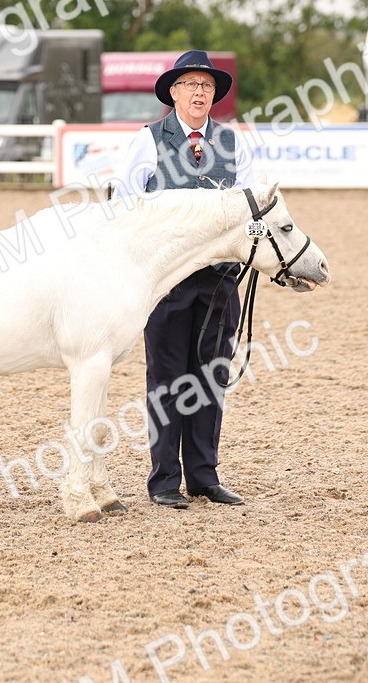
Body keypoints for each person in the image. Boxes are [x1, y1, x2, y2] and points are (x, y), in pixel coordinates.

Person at [113, 50, 256, 510]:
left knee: (210, 377)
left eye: (207, 86)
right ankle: (163, 481)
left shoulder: (235, 145)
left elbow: (251, 208)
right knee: (167, 378)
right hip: (166, 284)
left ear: (215, 95)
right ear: (173, 91)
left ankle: (203, 476)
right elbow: (125, 207)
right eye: (191, 84)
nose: (199, 92)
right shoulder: (147, 141)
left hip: (219, 282)